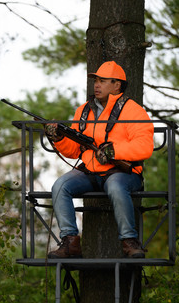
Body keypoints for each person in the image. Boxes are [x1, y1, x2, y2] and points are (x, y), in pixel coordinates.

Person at [44, 61, 154, 259]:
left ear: (117, 85)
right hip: (90, 171)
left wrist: (114, 151)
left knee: (116, 187)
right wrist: (58, 138)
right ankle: (70, 242)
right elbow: (73, 150)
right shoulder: (84, 111)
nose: (96, 85)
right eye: (96, 80)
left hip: (122, 173)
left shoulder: (133, 110)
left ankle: (130, 241)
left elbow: (145, 146)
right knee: (60, 186)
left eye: (102, 81)